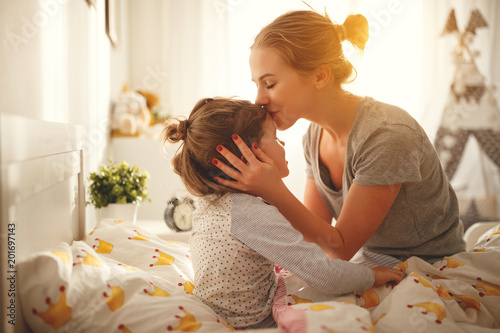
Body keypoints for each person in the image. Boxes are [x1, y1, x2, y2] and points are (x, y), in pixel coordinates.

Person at [212, 9, 466, 265]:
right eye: (257, 85)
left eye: (270, 84)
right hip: (371, 258)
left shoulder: (387, 135)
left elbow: (341, 247)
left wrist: (275, 191)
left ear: (320, 76)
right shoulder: (313, 137)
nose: (259, 100)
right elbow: (315, 235)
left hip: (429, 265)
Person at [162, 97, 403, 329]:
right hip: (254, 323)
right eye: (276, 138)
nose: (284, 144)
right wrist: (372, 275)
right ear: (251, 155)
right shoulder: (248, 214)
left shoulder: (210, 203)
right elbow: (326, 276)